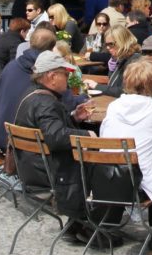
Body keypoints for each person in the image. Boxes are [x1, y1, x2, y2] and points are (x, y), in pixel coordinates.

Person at [12, 51, 99, 244]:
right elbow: (56, 137)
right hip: (48, 171)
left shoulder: (32, 93)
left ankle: (78, 223)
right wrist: (88, 135)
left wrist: (73, 117)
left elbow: (50, 130)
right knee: (102, 164)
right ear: (52, 76)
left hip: (29, 165)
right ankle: (93, 222)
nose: (68, 79)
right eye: (65, 74)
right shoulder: (46, 102)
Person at [100, 59, 152, 255]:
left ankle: (105, 228)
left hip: (110, 179)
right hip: (140, 186)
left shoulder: (114, 106)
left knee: (147, 165)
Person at [0, 25, 79, 151]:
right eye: (65, 74)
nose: (66, 75)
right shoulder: (46, 73)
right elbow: (67, 107)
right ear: (51, 48)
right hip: (24, 149)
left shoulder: (10, 66)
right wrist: (82, 99)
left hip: (1, 138)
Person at [93, 25, 141, 98]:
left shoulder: (135, 61)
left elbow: (125, 91)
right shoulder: (121, 58)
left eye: (111, 44)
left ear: (122, 42)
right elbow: (113, 84)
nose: (107, 47)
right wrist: (112, 70)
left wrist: (97, 86)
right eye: (106, 44)